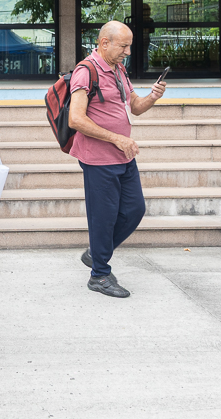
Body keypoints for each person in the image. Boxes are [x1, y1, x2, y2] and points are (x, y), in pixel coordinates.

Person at [68, 20, 166, 299]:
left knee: (134, 209)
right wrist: (116, 138)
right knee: (104, 218)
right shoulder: (85, 71)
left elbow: (135, 107)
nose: (128, 51)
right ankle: (99, 275)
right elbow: (76, 119)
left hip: (123, 155)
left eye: (129, 46)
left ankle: (97, 252)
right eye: (124, 46)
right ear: (104, 43)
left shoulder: (118, 69)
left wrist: (153, 97)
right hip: (99, 158)